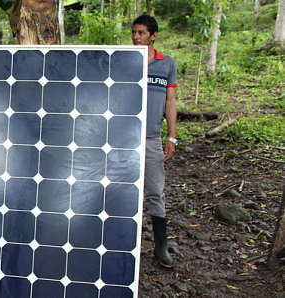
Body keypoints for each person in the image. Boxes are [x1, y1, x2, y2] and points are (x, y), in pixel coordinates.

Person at [132, 15, 178, 268]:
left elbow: (170, 101)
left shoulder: (167, 64)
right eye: (134, 32)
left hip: (151, 138)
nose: (136, 37)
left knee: (155, 191)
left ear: (153, 36)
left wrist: (171, 137)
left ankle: (161, 246)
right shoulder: (124, 60)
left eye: (141, 33)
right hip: (123, 139)